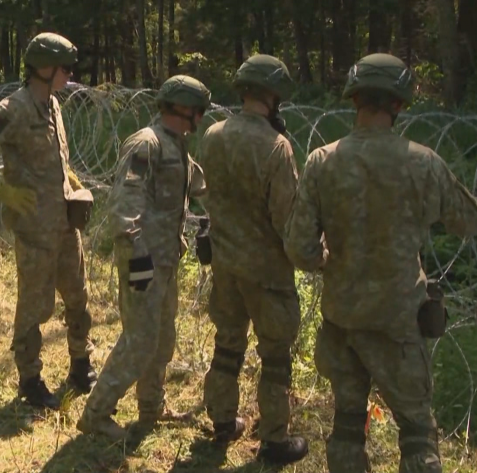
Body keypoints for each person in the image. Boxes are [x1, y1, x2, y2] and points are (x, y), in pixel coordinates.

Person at [284, 53, 477, 473]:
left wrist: (329, 260)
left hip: (343, 317)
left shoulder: (321, 160)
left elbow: (299, 248)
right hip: (399, 319)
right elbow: (468, 219)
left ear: (354, 101)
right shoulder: (421, 162)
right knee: (417, 429)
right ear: (400, 104)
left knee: (348, 424)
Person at [0, 32, 97, 410]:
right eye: (64, 68)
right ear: (44, 68)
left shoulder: (53, 106)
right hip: (34, 227)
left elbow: (54, 159)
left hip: (65, 221)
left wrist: (71, 180)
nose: (68, 74)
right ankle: (30, 380)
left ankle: (81, 363)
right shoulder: (12, 109)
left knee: (79, 295)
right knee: (35, 306)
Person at [76, 75, 210, 440]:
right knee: (139, 341)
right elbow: (125, 205)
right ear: (183, 108)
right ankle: (96, 413)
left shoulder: (176, 146)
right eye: (197, 110)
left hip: (166, 259)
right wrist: (137, 258)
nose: (200, 118)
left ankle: (152, 407)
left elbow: (199, 184)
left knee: (162, 338)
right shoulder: (146, 144)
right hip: (144, 260)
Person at [196, 54, 308, 465]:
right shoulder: (276, 147)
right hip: (267, 272)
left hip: (226, 261)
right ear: (273, 96)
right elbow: (287, 220)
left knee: (227, 344)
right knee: (275, 355)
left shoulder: (212, 135)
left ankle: (223, 420)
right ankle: (275, 438)